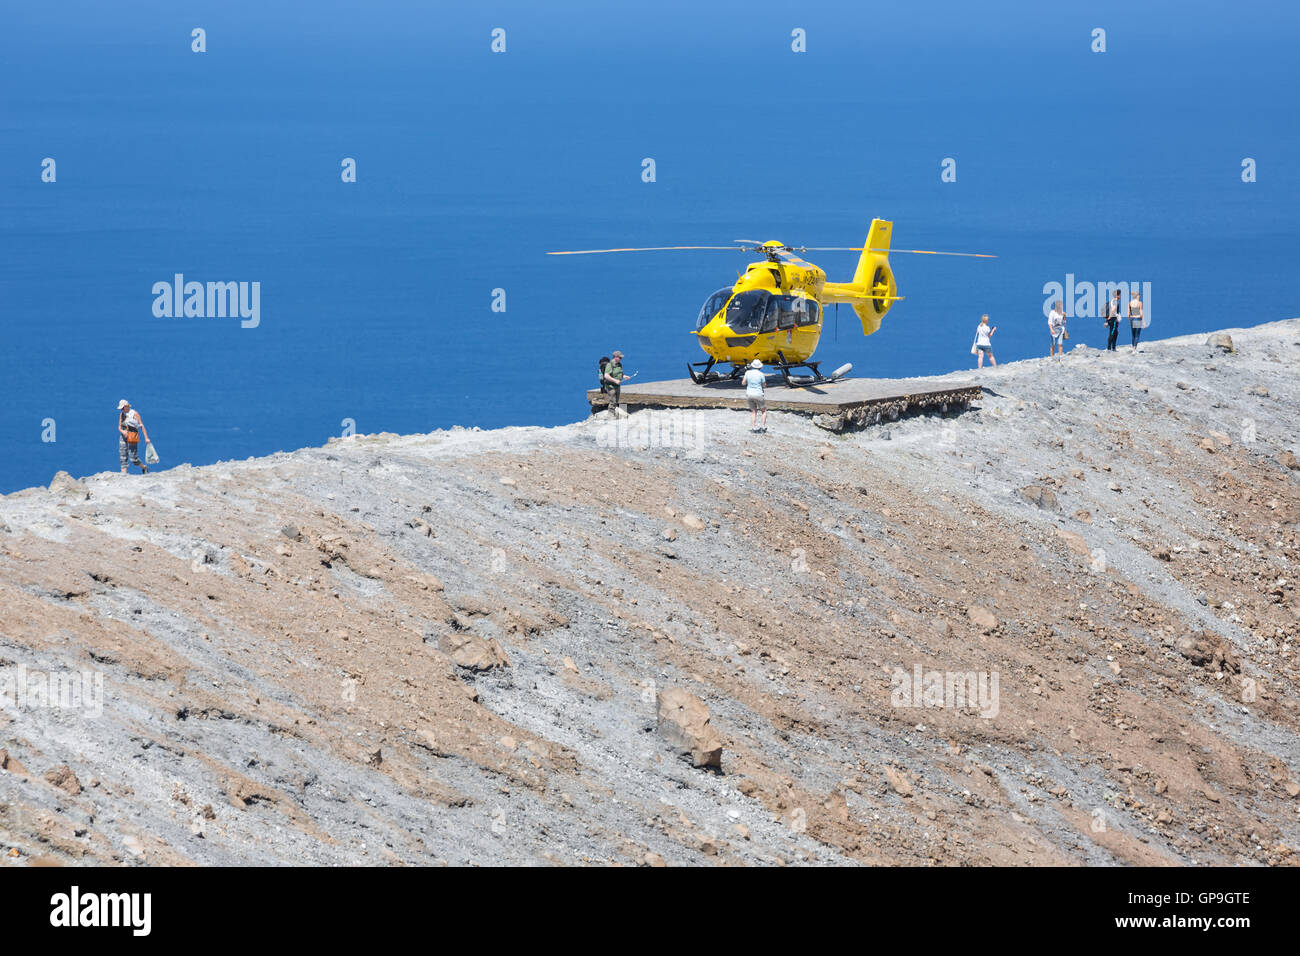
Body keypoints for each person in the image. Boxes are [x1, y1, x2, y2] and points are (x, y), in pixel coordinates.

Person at [117, 399, 149, 474]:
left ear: (127, 406)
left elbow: (141, 426)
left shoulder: (134, 414)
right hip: (123, 437)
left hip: (132, 437)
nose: (121, 409)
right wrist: (123, 431)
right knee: (123, 457)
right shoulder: (122, 414)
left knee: (133, 458)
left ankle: (144, 467)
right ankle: (123, 476)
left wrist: (146, 438)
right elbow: (119, 426)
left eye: (122, 408)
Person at [742, 358, 767, 432]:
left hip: (749, 394)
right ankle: (762, 426)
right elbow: (764, 385)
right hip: (758, 394)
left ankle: (753, 427)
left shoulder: (747, 373)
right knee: (763, 411)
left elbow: (743, 383)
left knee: (754, 411)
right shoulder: (761, 374)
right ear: (760, 367)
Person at [601, 350, 628, 415]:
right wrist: (615, 380)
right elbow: (606, 375)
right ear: (615, 357)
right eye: (620, 357)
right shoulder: (610, 365)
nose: (621, 359)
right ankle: (610, 415)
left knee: (616, 400)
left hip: (617, 386)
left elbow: (620, 372)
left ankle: (614, 413)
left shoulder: (619, 364)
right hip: (611, 386)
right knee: (612, 401)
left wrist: (624, 376)